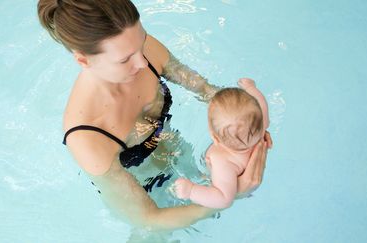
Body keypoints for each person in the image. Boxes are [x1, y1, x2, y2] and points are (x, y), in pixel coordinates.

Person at [37, 0, 272, 231]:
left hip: (181, 155)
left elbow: (207, 91)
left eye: (142, 41)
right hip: (149, 188)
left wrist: (247, 124)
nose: (142, 60)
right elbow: (148, 219)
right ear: (83, 60)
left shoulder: (141, 49)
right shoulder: (88, 136)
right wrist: (230, 196)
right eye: (124, 59)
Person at [173, 78, 270, 208]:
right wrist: (251, 88)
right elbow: (261, 102)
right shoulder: (262, 124)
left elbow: (223, 198)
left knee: (206, 179)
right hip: (245, 171)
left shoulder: (223, 161)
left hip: (226, 180)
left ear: (214, 137)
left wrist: (191, 191)